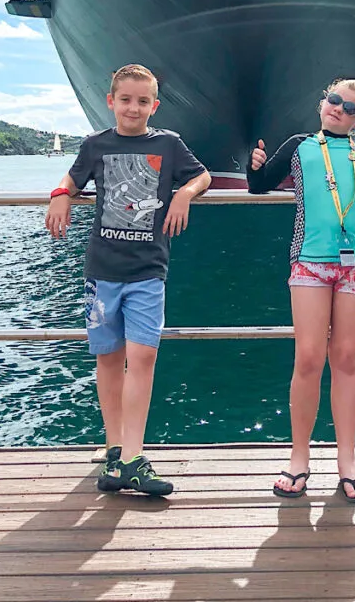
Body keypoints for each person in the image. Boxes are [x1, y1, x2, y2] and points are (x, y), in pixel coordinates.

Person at [45, 63, 211, 495]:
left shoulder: (168, 144)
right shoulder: (96, 145)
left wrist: (183, 194)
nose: (133, 108)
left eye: (142, 101)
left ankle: (134, 457)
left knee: (142, 358)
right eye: (126, 100)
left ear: (154, 105)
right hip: (102, 272)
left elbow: (202, 175)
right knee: (107, 360)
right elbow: (72, 177)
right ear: (111, 102)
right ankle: (115, 448)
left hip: (146, 272)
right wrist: (61, 195)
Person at [248, 78, 355, 504]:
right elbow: (260, 185)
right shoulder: (300, 146)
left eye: (351, 108)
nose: (339, 109)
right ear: (323, 103)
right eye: (334, 100)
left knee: (345, 359)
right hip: (310, 261)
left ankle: (347, 461)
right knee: (308, 357)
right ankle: (299, 458)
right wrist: (255, 164)